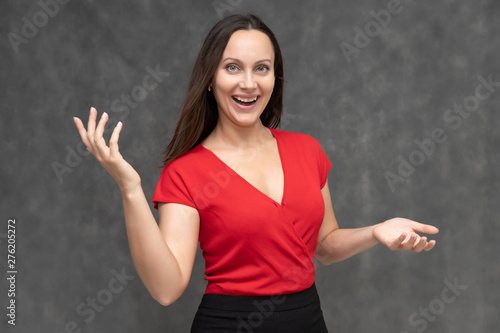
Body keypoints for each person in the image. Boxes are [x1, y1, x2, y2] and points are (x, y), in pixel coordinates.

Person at [73, 13, 439, 333]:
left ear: (274, 78)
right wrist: (131, 188)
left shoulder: (306, 150)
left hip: (309, 321)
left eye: (261, 68)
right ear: (210, 78)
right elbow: (166, 289)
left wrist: (375, 232)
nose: (248, 83)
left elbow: (323, 247)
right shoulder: (186, 172)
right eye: (233, 67)